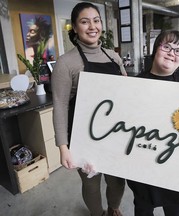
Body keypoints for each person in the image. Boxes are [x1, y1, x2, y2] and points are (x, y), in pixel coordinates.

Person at [51, 2, 126, 216]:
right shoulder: (66, 63)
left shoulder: (114, 56)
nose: (92, 26)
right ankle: (97, 213)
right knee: (92, 185)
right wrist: (63, 147)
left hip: (116, 133)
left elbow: (127, 95)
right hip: (83, 136)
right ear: (74, 27)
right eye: (85, 22)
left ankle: (113, 208)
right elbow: (60, 106)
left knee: (118, 181)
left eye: (96, 20)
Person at [127, 30, 179, 216]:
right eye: (167, 47)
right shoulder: (135, 85)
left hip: (177, 171)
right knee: (143, 208)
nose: (172, 53)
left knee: (177, 210)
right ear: (155, 49)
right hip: (143, 167)